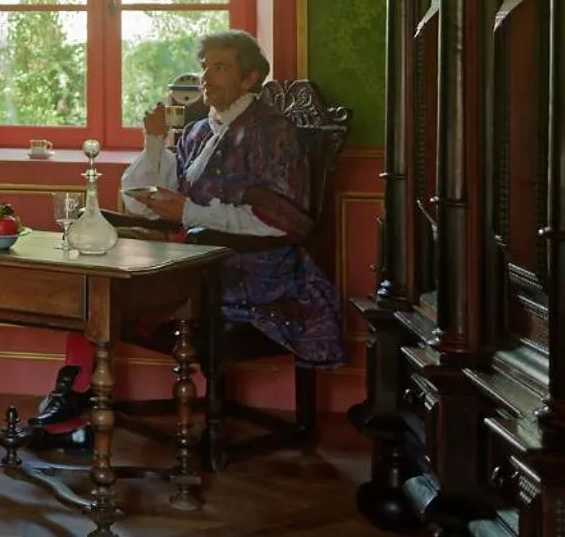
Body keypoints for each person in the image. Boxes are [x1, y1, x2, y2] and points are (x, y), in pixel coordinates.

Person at [26, 29, 346, 448]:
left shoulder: (272, 132)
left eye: (219, 68)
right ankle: (76, 403)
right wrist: (155, 141)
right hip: (197, 257)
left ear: (250, 79)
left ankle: (74, 407)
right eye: (204, 68)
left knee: (112, 286)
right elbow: (143, 204)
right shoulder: (198, 132)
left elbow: (283, 223)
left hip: (255, 271)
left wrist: (189, 213)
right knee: (94, 277)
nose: (206, 78)